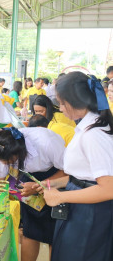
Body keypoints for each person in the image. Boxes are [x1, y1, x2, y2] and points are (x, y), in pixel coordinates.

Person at [42, 72, 113, 261]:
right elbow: (83, 174)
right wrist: (52, 184)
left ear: (74, 101)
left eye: (62, 103)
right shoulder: (87, 127)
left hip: (90, 211)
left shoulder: (94, 135)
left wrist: (60, 196)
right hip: (80, 204)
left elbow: (108, 189)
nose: (61, 109)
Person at [0, 127, 66, 261]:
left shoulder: (46, 142)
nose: (4, 165)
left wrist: (39, 186)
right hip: (27, 181)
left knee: (54, 235)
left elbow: (67, 171)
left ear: (18, 152)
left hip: (55, 178)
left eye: (8, 162)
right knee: (30, 232)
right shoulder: (0, 148)